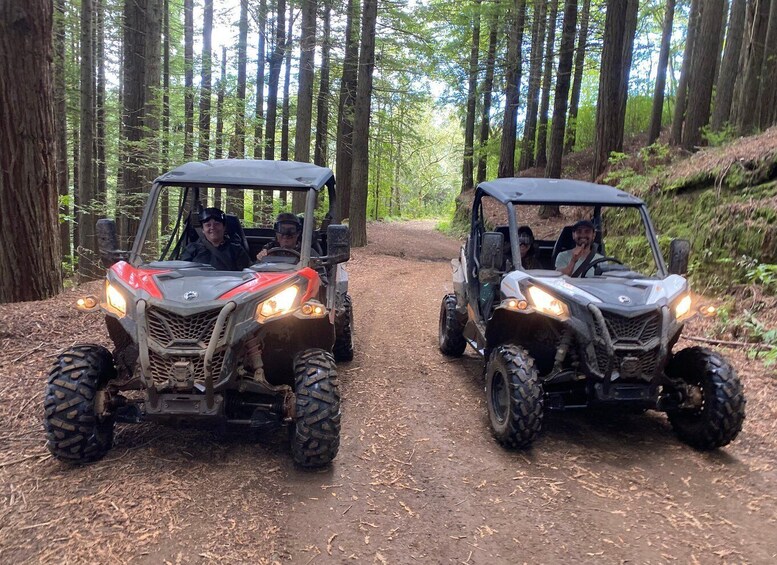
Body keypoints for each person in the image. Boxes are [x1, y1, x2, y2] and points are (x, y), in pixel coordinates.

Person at [180, 207, 251, 270]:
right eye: (208, 225)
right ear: (203, 230)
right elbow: (182, 273)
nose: (212, 228)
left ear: (224, 228)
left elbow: (247, 274)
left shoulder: (236, 250)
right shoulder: (192, 249)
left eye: (217, 224)